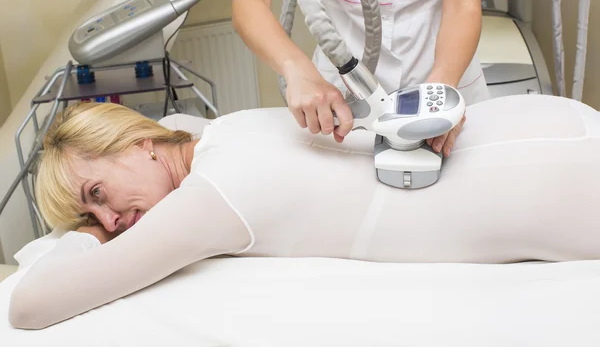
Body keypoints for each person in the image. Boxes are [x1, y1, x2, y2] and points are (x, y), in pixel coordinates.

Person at [8, 95, 600, 330]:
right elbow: (179, 126)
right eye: (95, 215)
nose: (110, 221)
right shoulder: (219, 130)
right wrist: (109, 200)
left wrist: (84, 235)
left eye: (96, 195)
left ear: (138, 144)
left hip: (556, 194)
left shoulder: (210, 203)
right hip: (543, 121)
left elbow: (30, 307)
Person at [232, 0, 499, 156]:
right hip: (344, 101)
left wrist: (442, 88)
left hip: (444, 82)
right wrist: (297, 70)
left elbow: (462, 5)